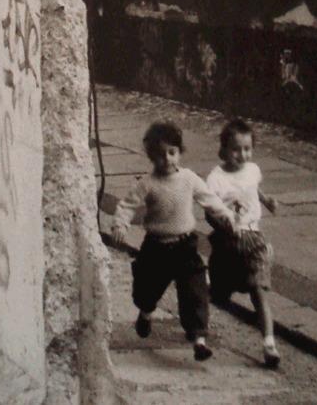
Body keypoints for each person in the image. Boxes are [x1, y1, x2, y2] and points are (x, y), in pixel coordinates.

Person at [110, 120, 233, 361]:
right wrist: (120, 224)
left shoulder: (188, 178)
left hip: (186, 245)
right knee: (146, 288)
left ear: (180, 152)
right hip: (156, 246)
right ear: (150, 157)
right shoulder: (147, 183)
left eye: (172, 153)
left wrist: (225, 214)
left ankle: (198, 338)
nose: (167, 159)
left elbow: (209, 198)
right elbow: (127, 205)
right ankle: (145, 312)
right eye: (160, 155)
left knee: (195, 290)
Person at [205, 117, 280, 368]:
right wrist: (223, 225)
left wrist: (266, 200)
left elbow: (252, 188)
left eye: (247, 149)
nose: (242, 154)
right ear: (224, 150)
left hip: (253, 238)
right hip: (227, 243)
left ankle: (269, 343)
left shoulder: (253, 170)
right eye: (236, 149)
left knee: (259, 289)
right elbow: (209, 211)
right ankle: (196, 324)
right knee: (219, 295)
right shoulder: (215, 179)